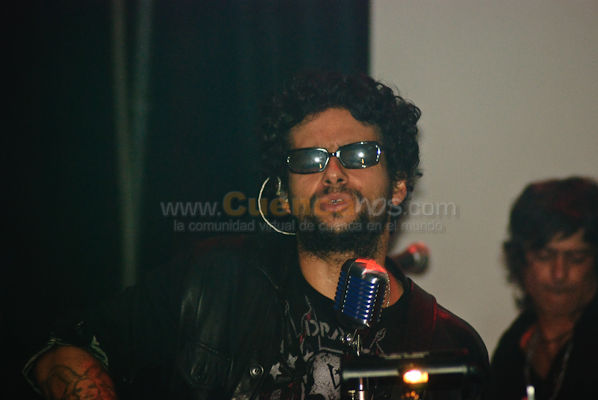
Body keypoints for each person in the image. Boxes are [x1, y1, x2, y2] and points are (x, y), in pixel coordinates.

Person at [24, 71, 489, 399]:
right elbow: (60, 351)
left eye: (359, 154)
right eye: (309, 160)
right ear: (283, 197)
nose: (333, 173)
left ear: (399, 184)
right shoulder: (213, 283)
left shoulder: (449, 345)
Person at [490, 177, 598, 400]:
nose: (559, 273)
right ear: (521, 261)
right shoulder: (512, 349)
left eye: (576, 257)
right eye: (545, 255)